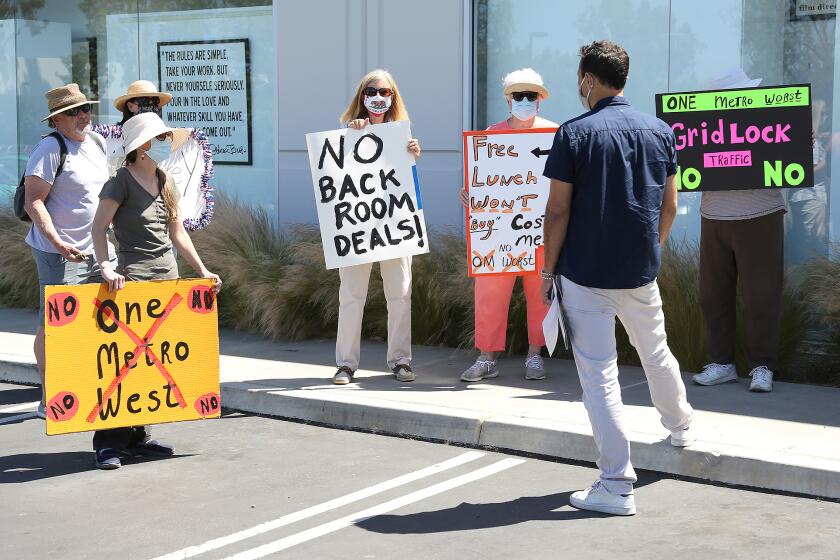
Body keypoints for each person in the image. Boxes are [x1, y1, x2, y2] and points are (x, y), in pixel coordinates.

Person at [541, 41, 694, 516]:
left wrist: (548, 270)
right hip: (639, 271)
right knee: (656, 351)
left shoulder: (574, 133)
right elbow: (669, 205)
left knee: (599, 376)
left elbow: (557, 211)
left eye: (579, 78)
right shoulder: (660, 131)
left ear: (588, 78)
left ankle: (615, 484)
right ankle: (680, 427)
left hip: (585, 274)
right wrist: (654, 248)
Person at [91, 112, 221, 470]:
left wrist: (202, 270)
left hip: (167, 281)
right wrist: (107, 266)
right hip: (132, 283)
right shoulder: (120, 182)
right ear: (142, 147)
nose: (166, 143)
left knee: (152, 363)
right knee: (124, 365)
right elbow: (99, 227)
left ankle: (137, 437)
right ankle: (108, 443)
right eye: (159, 138)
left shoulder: (165, 180)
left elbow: (176, 232)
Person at [460, 68, 558, 383]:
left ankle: (534, 355)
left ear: (540, 101)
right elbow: (483, 183)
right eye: (519, 96)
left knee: (540, 292)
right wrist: (471, 196)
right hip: (497, 233)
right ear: (508, 99)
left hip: (540, 231)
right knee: (489, 292)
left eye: (531, 96)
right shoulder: (491, 134)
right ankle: (487, 357)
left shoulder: (556, 135)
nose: (525, 101)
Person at [22, 83, 114, 420]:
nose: (83, 116)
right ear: (57, 119)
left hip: (99, 249)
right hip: (58, 253)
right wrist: (58, 241)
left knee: (104, 319)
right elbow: (34, 201)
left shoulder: (97, 142)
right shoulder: (49, 148)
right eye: (74, 111)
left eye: (86, 108)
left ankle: (91, 389)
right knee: (55, 324)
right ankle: (49, 395)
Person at [691, 69, 784, 393]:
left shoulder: (770, 120)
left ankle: (762, 366)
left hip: (761, 214)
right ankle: (722, 363)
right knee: (712, 294)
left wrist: (800, 142)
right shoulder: (700, 127)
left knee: (761, 294)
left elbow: (800, 161)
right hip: (714, 215)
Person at [332, 69, 421, 385]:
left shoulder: (402, 136)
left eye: (386, 92)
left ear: (393, 97)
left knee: (400, 295)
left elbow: (407, 186)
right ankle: (346, 364)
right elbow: (335, 174)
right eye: (372, 91)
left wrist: (412, 158)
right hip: (358, 226)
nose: (379, 97)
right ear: (362, 96)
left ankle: (400, 360)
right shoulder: (347, 133)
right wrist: (351, 133)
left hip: (395, 225)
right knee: (351, 295)